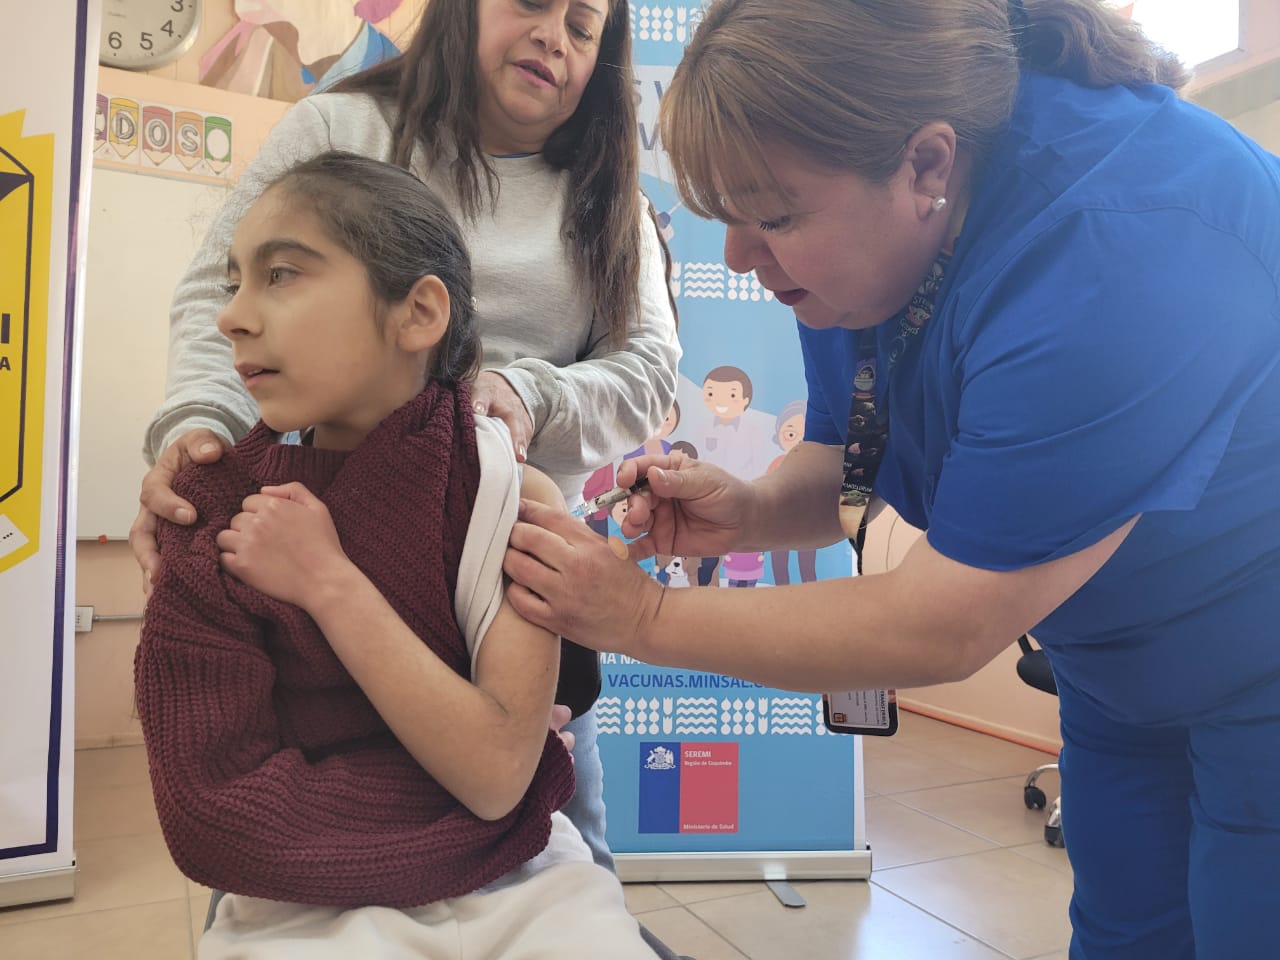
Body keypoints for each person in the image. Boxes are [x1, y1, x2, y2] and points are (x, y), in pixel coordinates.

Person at [500, 1, 1280, 958]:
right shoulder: (873, 247)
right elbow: (849, 461)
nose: (743, 259)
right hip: (1119, 662)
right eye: (730, 219)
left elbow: (944, 622)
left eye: (773, 217)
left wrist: (641, 617)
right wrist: (742, 513)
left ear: (926, 166)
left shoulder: (1122, 239)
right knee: (1126, 931)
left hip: (1260, 648)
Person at [129, 0, 681, 885]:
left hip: (515, 573)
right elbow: (214, 297)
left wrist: (531, 396)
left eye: (585, 26)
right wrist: (199, 434)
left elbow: (652, 369)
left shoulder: (608, 197)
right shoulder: (341, 125)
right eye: (534, 4)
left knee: (571, 866)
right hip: (310, 540)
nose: (556, 36)